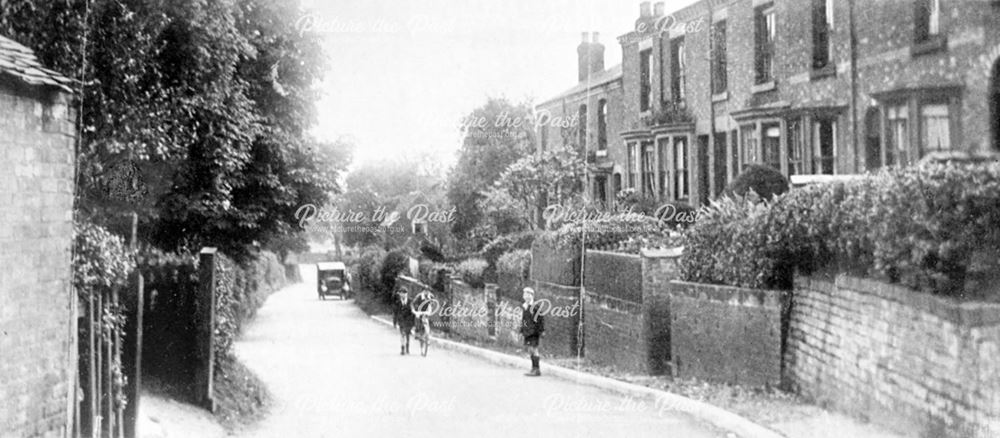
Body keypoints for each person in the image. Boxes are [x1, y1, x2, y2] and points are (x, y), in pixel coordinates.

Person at [520, 287, 545, 377]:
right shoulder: (525, 306)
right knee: (530, 350)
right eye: (524, 294)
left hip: (534, 331)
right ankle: (533, 368)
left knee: (534, 349)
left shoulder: (535, 307)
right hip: (527, 331)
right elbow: (524, 320)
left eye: (526, 294)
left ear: (531, 295)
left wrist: (541, 331)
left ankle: (536, 369)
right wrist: (522, 330)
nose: (525, 296)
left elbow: (540, 319)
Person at [392, 288, 416, 355]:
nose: (403, 295)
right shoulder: (397, 302)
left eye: (404, 293)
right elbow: (395, 313)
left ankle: (407, 347)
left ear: (407, 294)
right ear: (400, 294)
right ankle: (402, 348)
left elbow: (413, 309)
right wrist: (394, 322)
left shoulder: (410, 301)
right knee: (402, 333)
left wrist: (413, 323)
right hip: (401, 320)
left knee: (407, 334)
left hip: (409, 320)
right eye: (401, 293)